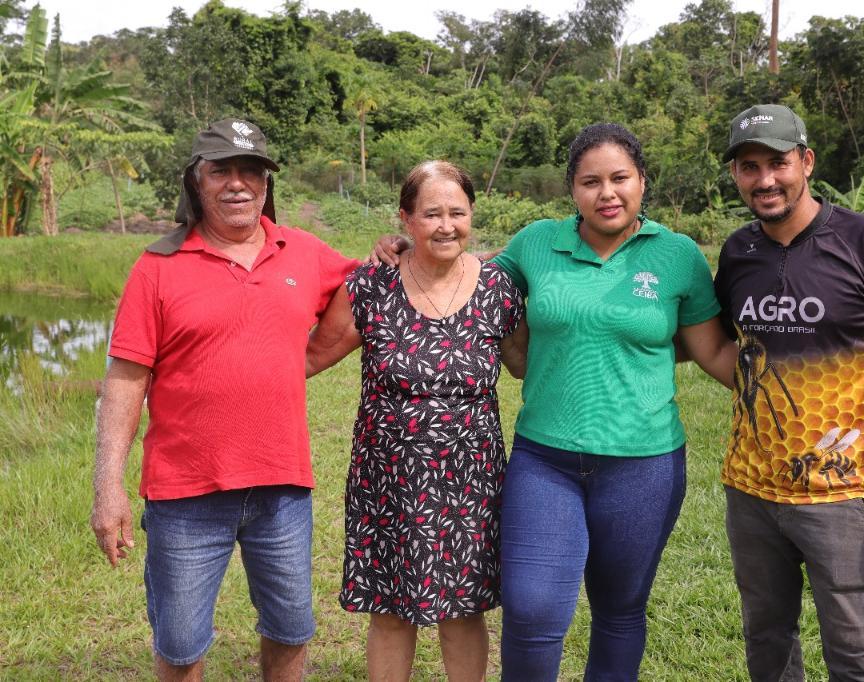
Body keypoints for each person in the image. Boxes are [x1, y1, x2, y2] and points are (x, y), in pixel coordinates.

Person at [373, 124, 738, 681]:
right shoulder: (537, 243)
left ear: (642, 182)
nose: (607, 193)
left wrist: (792, 386)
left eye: (620, 179)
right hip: (546, 459)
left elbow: (711, 350)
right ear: (573, 189)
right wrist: (409, 246)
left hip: (644, 463)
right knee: (532, 607)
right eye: (591, 182)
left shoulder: (678, 255)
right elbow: (467, 269)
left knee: (619, 610)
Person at [89, 118, 360, 681]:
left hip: (281, 487)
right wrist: (107, 485)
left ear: (266, 183)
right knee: (182, 644)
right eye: (222, 171)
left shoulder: (302, 252)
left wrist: (395, 247)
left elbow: (371, 289)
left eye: (251, 171)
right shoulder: (156, 267)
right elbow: (125, 379)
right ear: (197, 182)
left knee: (290, 629)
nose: (238, 183)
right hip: (186, 494)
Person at [715, 103, 864, 682]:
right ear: (736, 175)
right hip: (751, 488)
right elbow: (719, 344)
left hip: (841, 493)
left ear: (807, 162)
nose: (765, 180)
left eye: (778, 162)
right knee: (766, 642)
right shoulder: (738, 253)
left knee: (855, 654)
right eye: (750, 167)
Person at [306, 160, 526, 682]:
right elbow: (311, 357)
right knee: (390, 610)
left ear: (472, 215)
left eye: (457, 212)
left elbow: (528, 364)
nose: (445, 224)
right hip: (389, 478)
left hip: (470, 480)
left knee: (464, 611)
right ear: (405, 220)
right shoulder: (372, 284)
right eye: (431, 214)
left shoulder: (498, 287)